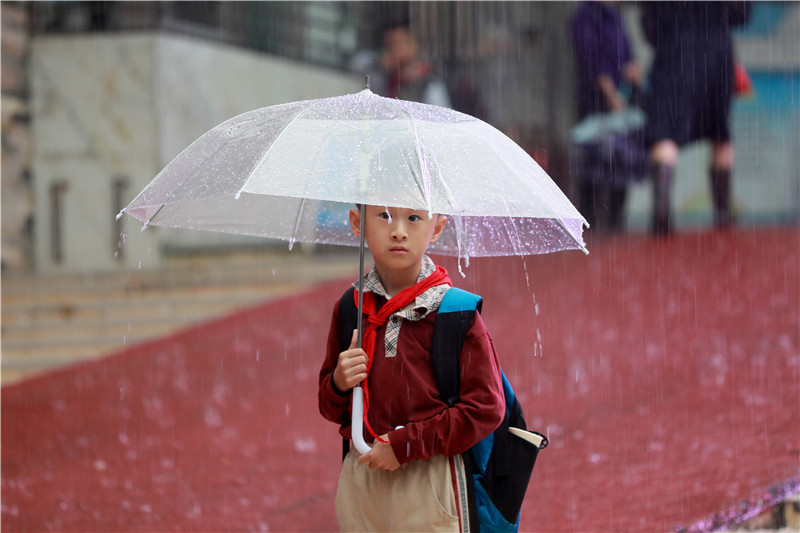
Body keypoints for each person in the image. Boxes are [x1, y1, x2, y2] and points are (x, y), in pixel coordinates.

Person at [318, 205, 505, 531]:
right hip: (363, 477)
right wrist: (337, 383)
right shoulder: (351, 307)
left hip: (429, 478)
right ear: (357, 222)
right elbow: (330, 408)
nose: (398, 231)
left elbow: (486, 408)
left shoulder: (455, 313)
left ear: (436, 227)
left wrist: (405, 445)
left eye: (414, 218)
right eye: (384, 216)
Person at [642, 1, 751, 235]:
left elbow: (650, 28)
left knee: (665, 131)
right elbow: (742, 14)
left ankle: (661, 214)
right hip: (715, 54)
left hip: (673, 53)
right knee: (720, 133)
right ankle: (723, 216)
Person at [570, 1, 644, 233]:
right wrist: (608, 92)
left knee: (621, 162)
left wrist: (632, 73)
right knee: (593, 164)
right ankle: (590, 221)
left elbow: (626, 53)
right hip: (596, 103)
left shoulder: (616, 17)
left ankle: (615, 221)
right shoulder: (585, 16)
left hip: (621, 102)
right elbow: (590, 58)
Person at [381, 19, 452, 108]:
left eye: (398, 44)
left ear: (414, 44)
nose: (394, 50)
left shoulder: (429, 83)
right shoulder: (388, 78)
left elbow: (440, 115)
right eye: (389, 45)